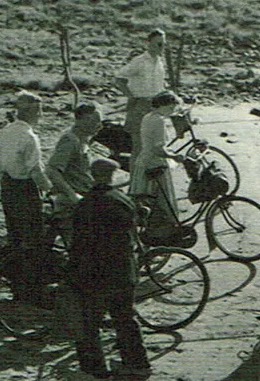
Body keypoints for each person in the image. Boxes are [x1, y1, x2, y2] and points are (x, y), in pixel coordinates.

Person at [69, 158, 151, 379]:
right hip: (123, 269)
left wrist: (73, 272)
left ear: (92, 176)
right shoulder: (123, 200)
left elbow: (78, 244)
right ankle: (137, 365)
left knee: (89, 323)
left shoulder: (85, 204)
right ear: (112, 177)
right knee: (125, 319)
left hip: (95, 272)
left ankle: (94, 369)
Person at [0, 91, 53, 252]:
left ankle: (13, 263)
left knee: (15, 233)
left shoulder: (7, 130)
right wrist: (49, 188)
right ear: (29, 112)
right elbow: (35, 170)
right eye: (38, 111)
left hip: (7, 184)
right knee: (33, 236)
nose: (41, 115)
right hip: (24, 188)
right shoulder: (29, 137)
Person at [45, 102, 103, 246]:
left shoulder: (83, 140)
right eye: (96, 121)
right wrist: (72, 194)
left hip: (85, 194)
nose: (100, 126)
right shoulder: (70, 140)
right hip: (75, 199)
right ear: (82, 120)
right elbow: (52, 170)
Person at [128, 91, 183, 230]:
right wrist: (174, 157)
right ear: (162, 105)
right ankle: (166, 231)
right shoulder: (159, 120)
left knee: (147, 200)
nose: (172, 110)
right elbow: (157, 149)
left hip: (144, 160)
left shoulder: (148, 117)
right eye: (170, 107)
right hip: (155, 163)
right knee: (164, 202)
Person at [115, 29, 167, 161]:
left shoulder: (159, 63)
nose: (161, 47)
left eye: (163, 44)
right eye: (158, 44)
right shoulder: (140, 61)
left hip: (155, 107)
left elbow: (159, 86)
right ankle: (135, 174)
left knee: (154, 147)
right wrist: (131, 96)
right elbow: (119, 78)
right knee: (138, 148)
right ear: (148, 43)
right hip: (140, 107)